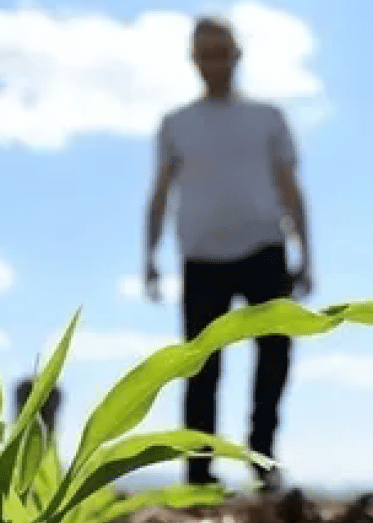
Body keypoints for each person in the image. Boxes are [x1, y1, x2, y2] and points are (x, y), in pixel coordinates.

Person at [143, 15, 312, 492]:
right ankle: (199, 473)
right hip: (202, 258)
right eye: (204, 54)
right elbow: (160, 192)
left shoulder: (268, 118)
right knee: (199, 365)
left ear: (237, 55)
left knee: (275, 355)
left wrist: (308, 254)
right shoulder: (176, 125)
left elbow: (291, 188)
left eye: (221, 52)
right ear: (194, 60)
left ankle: (262, 457)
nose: (213, 62)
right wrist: (150, 256)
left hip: (265, 248)